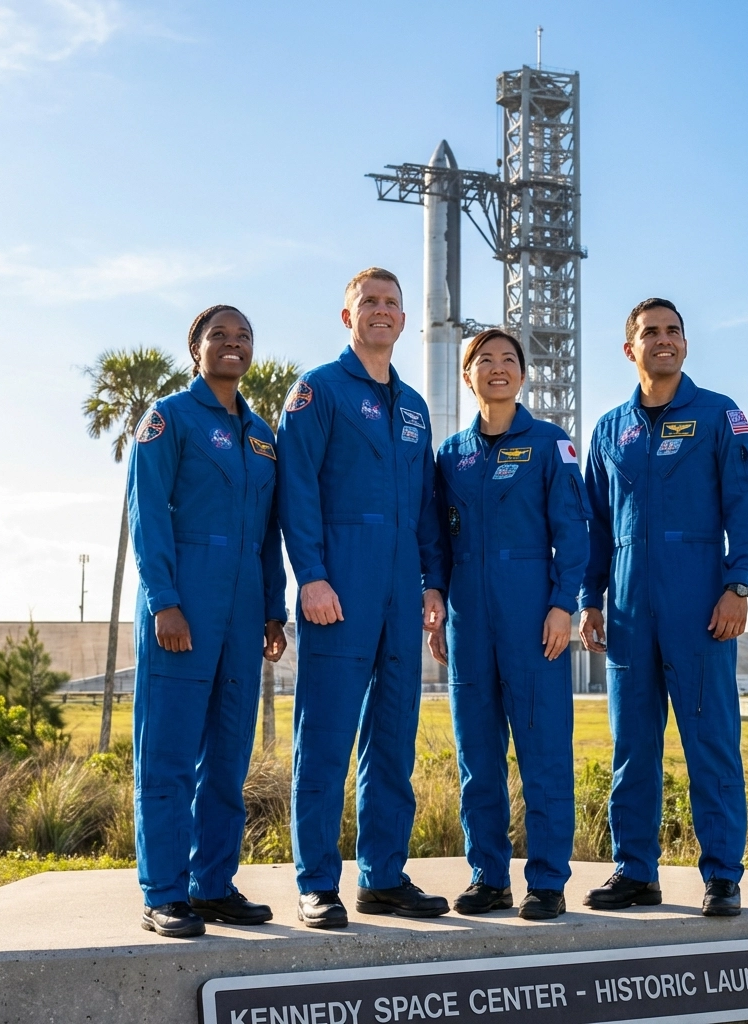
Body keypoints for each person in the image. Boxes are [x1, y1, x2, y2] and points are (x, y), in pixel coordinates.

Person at [579, 298, 748, 918]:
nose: (664, 340)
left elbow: (747, 506)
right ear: (629, 348)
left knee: (711, 742)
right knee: (633, 747)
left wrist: (738, 586)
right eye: (651, 332)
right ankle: (636, 872)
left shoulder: (718, 415)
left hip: (700, 604)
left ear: (684, 343)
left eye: (673, 331)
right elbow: (595, 528)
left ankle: (722, 875)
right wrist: (589, 600)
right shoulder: (609, 430)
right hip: (629, 609)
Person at [276, 268, 449, 928]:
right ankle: (317, 882)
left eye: (391, 303)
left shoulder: (415, 408)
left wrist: (433, 583)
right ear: (348, 317)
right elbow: (297, 488)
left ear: (404, 320)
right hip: (339, 588)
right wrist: (311, 576)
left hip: (401, 592)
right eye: (369, 302)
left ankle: (383, 877)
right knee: (325, 738)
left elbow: (427, 506)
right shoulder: (318, 390)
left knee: (393, 740)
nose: (382, 311)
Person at [128, 305, 288, 938]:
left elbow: (268, 534)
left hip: (244, 610)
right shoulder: (169, 417)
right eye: (218, 335)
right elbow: (148, 513)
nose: (233, 343)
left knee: (226, 756)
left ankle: (213, 884)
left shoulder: (262, 436)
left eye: (243, 336)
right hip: (185, 602)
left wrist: (273, 609)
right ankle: (164, 892)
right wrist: (163, 600)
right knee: (167, 754)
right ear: (195, 348)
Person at [429, 329, 591, 920]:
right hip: (468, 619)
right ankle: (489, 876)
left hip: (533, 617)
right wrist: (436, 602)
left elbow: (572, 532)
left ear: (522, 374)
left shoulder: (550, 444)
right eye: (484, 360)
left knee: (544, 752)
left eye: (508, 360)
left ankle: (547, 881)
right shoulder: (451, 455)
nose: (497, 368)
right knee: (477, 756)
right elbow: (436, 539)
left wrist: (562, 604)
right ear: (467, 375)